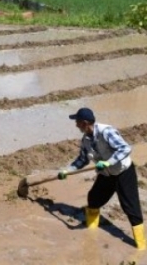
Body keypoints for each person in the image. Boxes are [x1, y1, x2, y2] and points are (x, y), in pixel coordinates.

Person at [58, 107, 145, 250]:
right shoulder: (85, 140)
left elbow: (125, 148)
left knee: (130, 207)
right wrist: (68, 170)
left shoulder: (106, 132)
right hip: (106, 175)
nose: (76, 125)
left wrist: (108, 162)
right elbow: (82, 160)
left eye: (77, 122)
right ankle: (91, 232)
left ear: (85, 123)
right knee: (93, 199)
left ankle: (141, 246)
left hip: (123, 172)